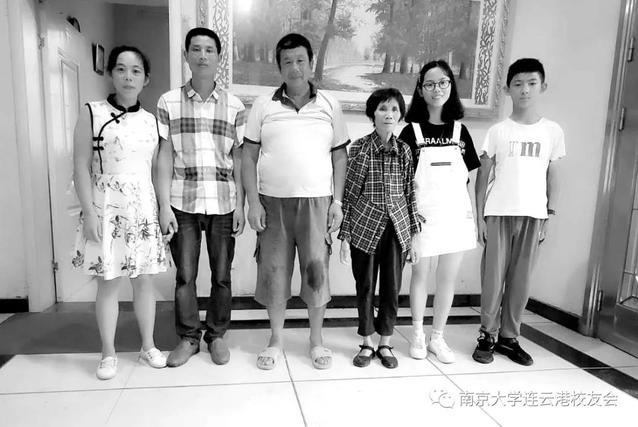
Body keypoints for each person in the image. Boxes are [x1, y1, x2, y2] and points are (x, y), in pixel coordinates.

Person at [242, 33, 349, 370]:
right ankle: (275, 340)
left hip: (317, 204)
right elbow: (248, 157)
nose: (294, 67)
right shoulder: (264, 105)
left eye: (300, 60)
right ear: (279, 67)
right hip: (272, 204)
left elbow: (340, 157)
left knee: (317, 274)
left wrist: (337, 202)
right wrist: (253, 203)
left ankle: (316, 341)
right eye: (287, 61)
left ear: (311, 63)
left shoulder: (330, 105)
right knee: (274, 274)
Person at [72, 45, 168, 380]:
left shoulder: (152, 121)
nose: (129, 77)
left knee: (145, 282)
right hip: (105, 208)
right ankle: (108, 353)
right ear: (111, 73)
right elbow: (80, 166)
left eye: (136, 71)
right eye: (122, 69)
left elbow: (156, 170)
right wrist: (89, 213)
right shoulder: (92, 112)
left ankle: (148, 346)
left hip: (142, 208)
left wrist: (163, 209)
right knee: (108, 283)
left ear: (146, 78)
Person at [156, 27, 246, 367]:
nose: (203, 55)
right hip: (182, 201)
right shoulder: (168, 101)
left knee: (222, 275)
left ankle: (217, 335)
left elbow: (239, 158)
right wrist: (163, 206)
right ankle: (189, 337)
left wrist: (241, 205)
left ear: (219, 57)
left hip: (223, 202)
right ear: (187, 55)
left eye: (209, 50)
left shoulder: (234, 105)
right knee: (185, 276)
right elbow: (164, 155)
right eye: (196, 49)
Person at [473, 58, 565, 366]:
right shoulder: (498, 131)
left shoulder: (552, 131)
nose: (525, 90)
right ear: (507, 89)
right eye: (518, 84)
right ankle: (487, 335)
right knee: (492, 279)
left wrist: (549, 214)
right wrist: (480, 217)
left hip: (534, 215)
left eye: (532, 83)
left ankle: (509, 338)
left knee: (521, 281)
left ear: (543, 87)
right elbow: (483, 176)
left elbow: (553, 174)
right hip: (498, 213)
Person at [399, 60, 481, 364]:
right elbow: (401, 181)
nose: (437, 89)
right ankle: (418, 334)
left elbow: (471, 179)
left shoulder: (461, 131)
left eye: (443, 82)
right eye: (430, 84)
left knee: (448, 277)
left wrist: (475, 217)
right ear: (421, 89)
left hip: (455, 216)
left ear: (451, 86)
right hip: (422, 216)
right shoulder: (411, 132)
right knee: (420, 274)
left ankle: (437, 337)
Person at [339, 88, 419, 369]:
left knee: (392, 287)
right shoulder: (360, 148)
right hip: (364, 227)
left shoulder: (405, 150)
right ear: (372, 113)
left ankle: (385, 342)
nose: (389, 114)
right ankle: (367, 342)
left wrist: (414, 236)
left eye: (395, 109)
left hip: (397, 228)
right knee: (364, 286)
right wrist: (345, 235)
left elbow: (410, 193)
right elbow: (349, 194)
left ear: (401, 115)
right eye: (383, 108)